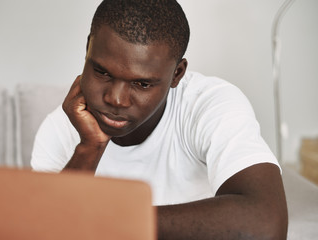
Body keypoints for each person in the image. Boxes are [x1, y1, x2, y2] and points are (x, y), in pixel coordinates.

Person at [31, 0, 288, 239]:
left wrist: (108, 219)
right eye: (102, 72)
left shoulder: (209, 104)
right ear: (88, 47)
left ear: (177, 74)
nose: (116, 99)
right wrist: (90, 146)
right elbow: (48, 230)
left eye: (142, 83)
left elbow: (267, 224)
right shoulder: (58, 130)